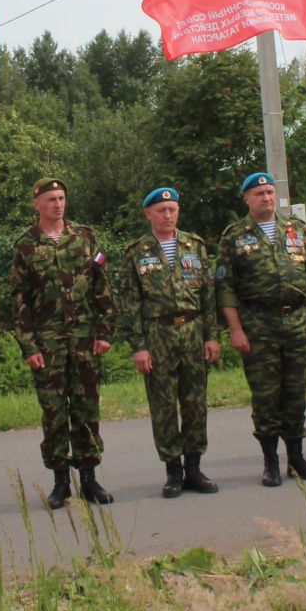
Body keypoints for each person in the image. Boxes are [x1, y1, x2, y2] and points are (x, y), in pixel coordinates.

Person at [9, 177, 117, 509]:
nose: (58, 204)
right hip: (48, 345)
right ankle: (59, 482)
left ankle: (89, 479)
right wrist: (29, 346)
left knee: (86, 410)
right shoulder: (26, 245)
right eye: (51, 199)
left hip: (85, 340)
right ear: (37, 204)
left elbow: (103, 287)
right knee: (54, 413)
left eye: (61, 198)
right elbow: (20, 300)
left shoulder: (85, 238)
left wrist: (105, 332)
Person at [216, 172, 306, 487]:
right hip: (257, 324)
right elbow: (225, 288)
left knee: (295, 392)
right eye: (259, 193)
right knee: (265, 396)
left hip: (296, 321)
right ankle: (270, 463)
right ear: (247, 199)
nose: (266, 198)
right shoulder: (234, 236)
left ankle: (297, 458)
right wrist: (235, 330)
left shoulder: (297, 229)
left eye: (270, 192)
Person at [117, 188, 220, 498]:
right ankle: (172, 470)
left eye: (172, 209)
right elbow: (129, 302)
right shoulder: (137, 251)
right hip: (158, 334)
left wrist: (212, 336)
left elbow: (208, 297)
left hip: (192, 330)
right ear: (148, 213)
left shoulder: (195, 246)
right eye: (161, 210)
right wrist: (139, 346)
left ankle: (195, 467)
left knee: (195, 403)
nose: (168, 215)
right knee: (163, 405)